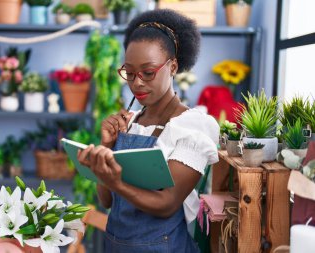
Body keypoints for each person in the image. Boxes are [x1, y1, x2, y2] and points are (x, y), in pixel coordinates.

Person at [77, 9, 219, 253]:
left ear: (173, 66)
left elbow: (167, 203)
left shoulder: (192, 126)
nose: (137, 83)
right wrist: (106, 146)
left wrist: (116, 180)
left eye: (148, 72)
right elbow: (107, 200)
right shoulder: (130, 122)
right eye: (129, 73)